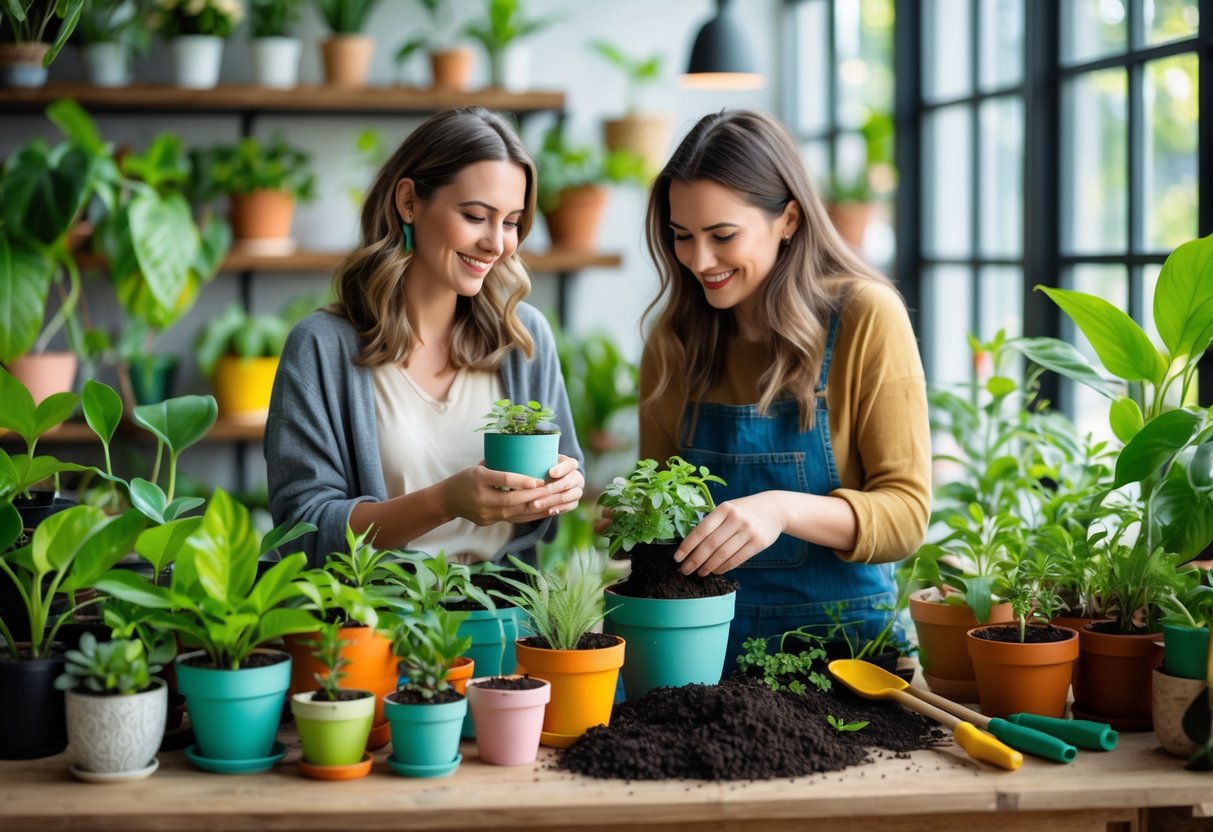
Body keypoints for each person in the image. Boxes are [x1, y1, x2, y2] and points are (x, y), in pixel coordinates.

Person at [636, 109, 930, 664]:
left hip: (845, 659)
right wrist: (637, 518)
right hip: (702, 659)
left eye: (722, 235)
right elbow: (659, 515)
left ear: (788, 219)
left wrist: (782, 510)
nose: (699, 260)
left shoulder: (864, 316)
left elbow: (906, 516)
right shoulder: (673, 340)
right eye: (682, 236)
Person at [266, 107, 585, 568]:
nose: (497, 243)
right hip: (375, 625)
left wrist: (563, 487)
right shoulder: (321, 348)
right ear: (409, 201)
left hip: (506, 618)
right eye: (476, 216)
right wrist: (442, 502)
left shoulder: (522, 336)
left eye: (512, 222)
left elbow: (554, 499)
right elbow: (304, 530)